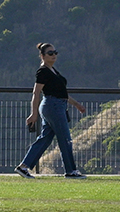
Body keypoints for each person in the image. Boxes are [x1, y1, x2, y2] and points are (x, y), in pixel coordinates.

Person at [17, 42, 86, 178]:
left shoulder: (53, 71)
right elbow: (36, 93)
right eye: (50, 53)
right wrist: (33, 113)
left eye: (55, 52)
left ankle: (24, 166)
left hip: (56, 105)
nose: (54, 55)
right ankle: (71, 171)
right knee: (65, 139)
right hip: (52, 106)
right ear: (42, 56)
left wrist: (76, 104)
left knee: (45, 139)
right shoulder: (43, 71)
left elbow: (62, 94)